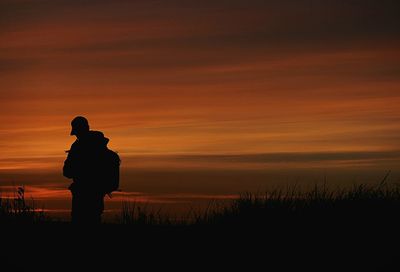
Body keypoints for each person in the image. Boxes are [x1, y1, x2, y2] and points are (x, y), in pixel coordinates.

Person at [63, 116, 111, 224]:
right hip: (97, 194)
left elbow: (67, 172)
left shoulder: (77, 147)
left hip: (82, 194)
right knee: (94, 220)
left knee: (80, 221)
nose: (76, 135)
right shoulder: (100, 145)